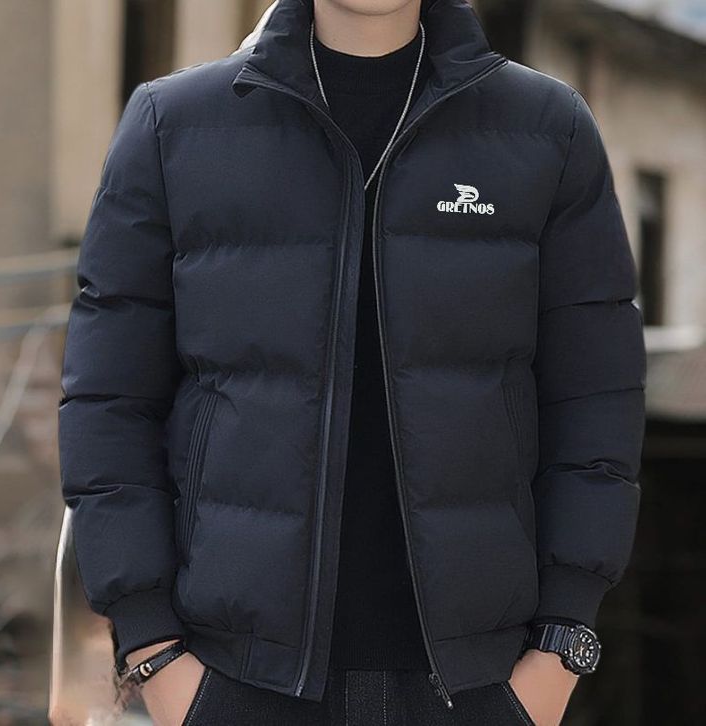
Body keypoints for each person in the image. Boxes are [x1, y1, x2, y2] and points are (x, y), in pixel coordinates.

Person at [57, 0, 646, 723]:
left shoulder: (547, 127)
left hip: (480, 682)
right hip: (234, 677)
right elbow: (110, 401)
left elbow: (596, 400)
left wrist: (561, 646)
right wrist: (152, 647)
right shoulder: (171, 125)